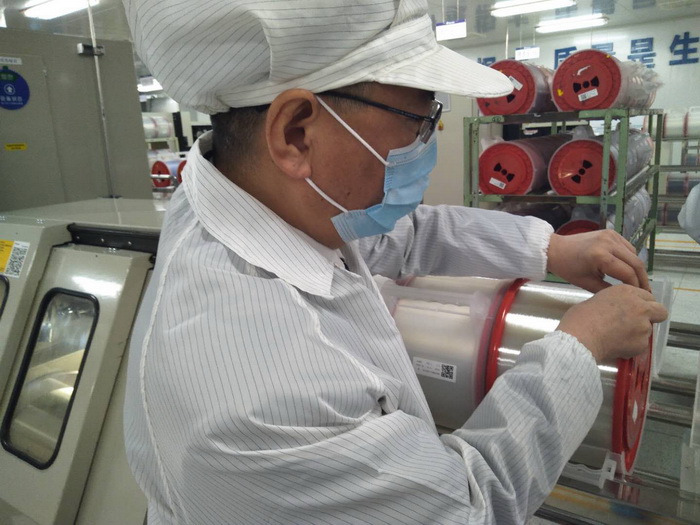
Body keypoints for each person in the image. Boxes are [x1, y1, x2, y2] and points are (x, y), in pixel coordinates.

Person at [122, 1, 668, 523]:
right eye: (419, 119)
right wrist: (579, 348)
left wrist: (549, 247)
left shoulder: (245, 196)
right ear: (295, 133)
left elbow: (402, 233)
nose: (428, 141)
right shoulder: (267, 405)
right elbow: (473, 508)